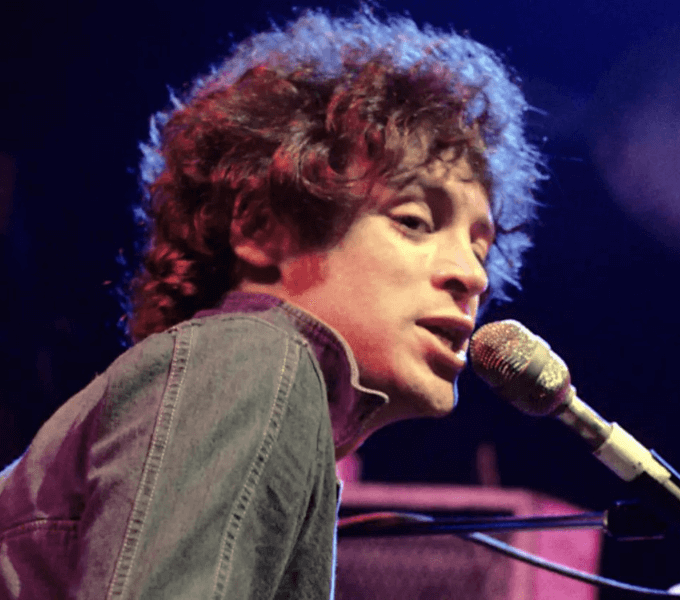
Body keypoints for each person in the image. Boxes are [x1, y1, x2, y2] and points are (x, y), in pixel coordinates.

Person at [0, 6, 542, 599]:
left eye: (480, 249)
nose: (472, 276)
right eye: (414, 221)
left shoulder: (255, 388)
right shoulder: (251, 359)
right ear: (262, 230)